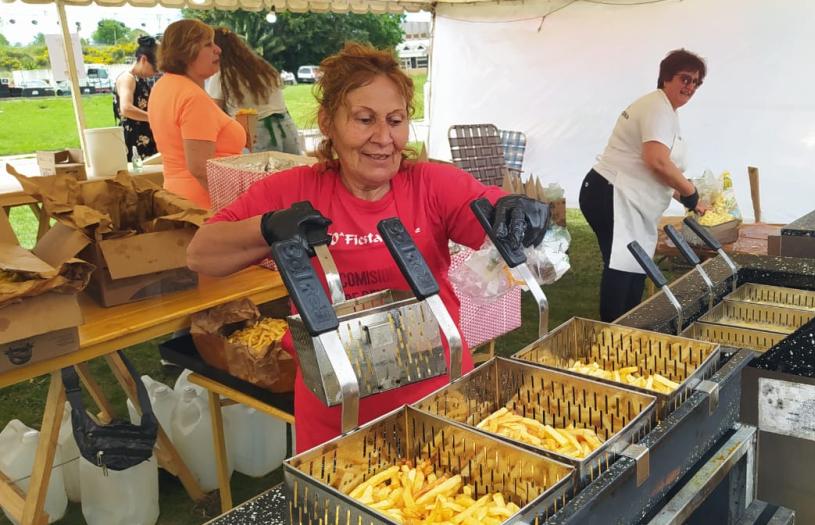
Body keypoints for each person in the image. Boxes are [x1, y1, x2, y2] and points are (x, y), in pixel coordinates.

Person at [186, 42, 549, 452]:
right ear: (328, 122)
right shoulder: (293, 190)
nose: (383, 138)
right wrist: (269, 227)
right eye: (364, 119)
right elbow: (201, 254)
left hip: (437, 398)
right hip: (336, 407)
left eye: (395, 121)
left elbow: (491, 212)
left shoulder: (432, 185)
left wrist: (515, 209)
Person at [580, 49, 709, 323]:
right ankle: (614, 334)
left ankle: (629, 326)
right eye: (685, 79)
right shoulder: (657, 108)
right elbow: (657, 161)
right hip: (611, 191)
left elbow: (657, 166)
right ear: (666, 78)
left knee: (635, 266)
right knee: (622, 266)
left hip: (624, 195)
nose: (690, 87)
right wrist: (690, 191)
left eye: (696, 82)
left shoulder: (665, 110)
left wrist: (689, 200)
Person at [148, 19, 246, 209]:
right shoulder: (193, 97)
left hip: (177, 195)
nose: (218, 49)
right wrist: (235, 209)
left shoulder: (164, 86)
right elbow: (200, 168)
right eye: (208, 44)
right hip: (204, 204)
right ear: (187, 51)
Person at [206, 28, 301, 154]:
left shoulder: (223, 74)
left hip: (255, 131)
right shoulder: (263, 67)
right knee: (291, 172)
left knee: (260, 173)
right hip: (286, 126)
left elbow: (215, 112)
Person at [113, 35, 159, 162]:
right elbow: (126, 108)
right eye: (155, 68)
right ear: (143, 60)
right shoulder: (128, 78)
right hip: (134, 138)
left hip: (143, 135)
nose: (156, 72)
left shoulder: (140, 80)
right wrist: (154, 118)